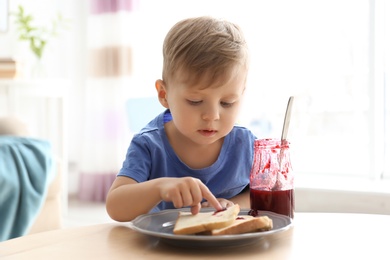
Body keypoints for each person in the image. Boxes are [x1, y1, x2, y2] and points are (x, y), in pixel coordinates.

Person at [106, 16, 256, 222]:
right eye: (195, 101)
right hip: (162, 249)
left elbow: (264, 196)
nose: (212, 115)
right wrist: (159, 187)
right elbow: (115, 207)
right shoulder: (149, 144)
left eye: (227, 102)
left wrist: (234, 203)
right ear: (164, 94)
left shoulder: (246, 144)